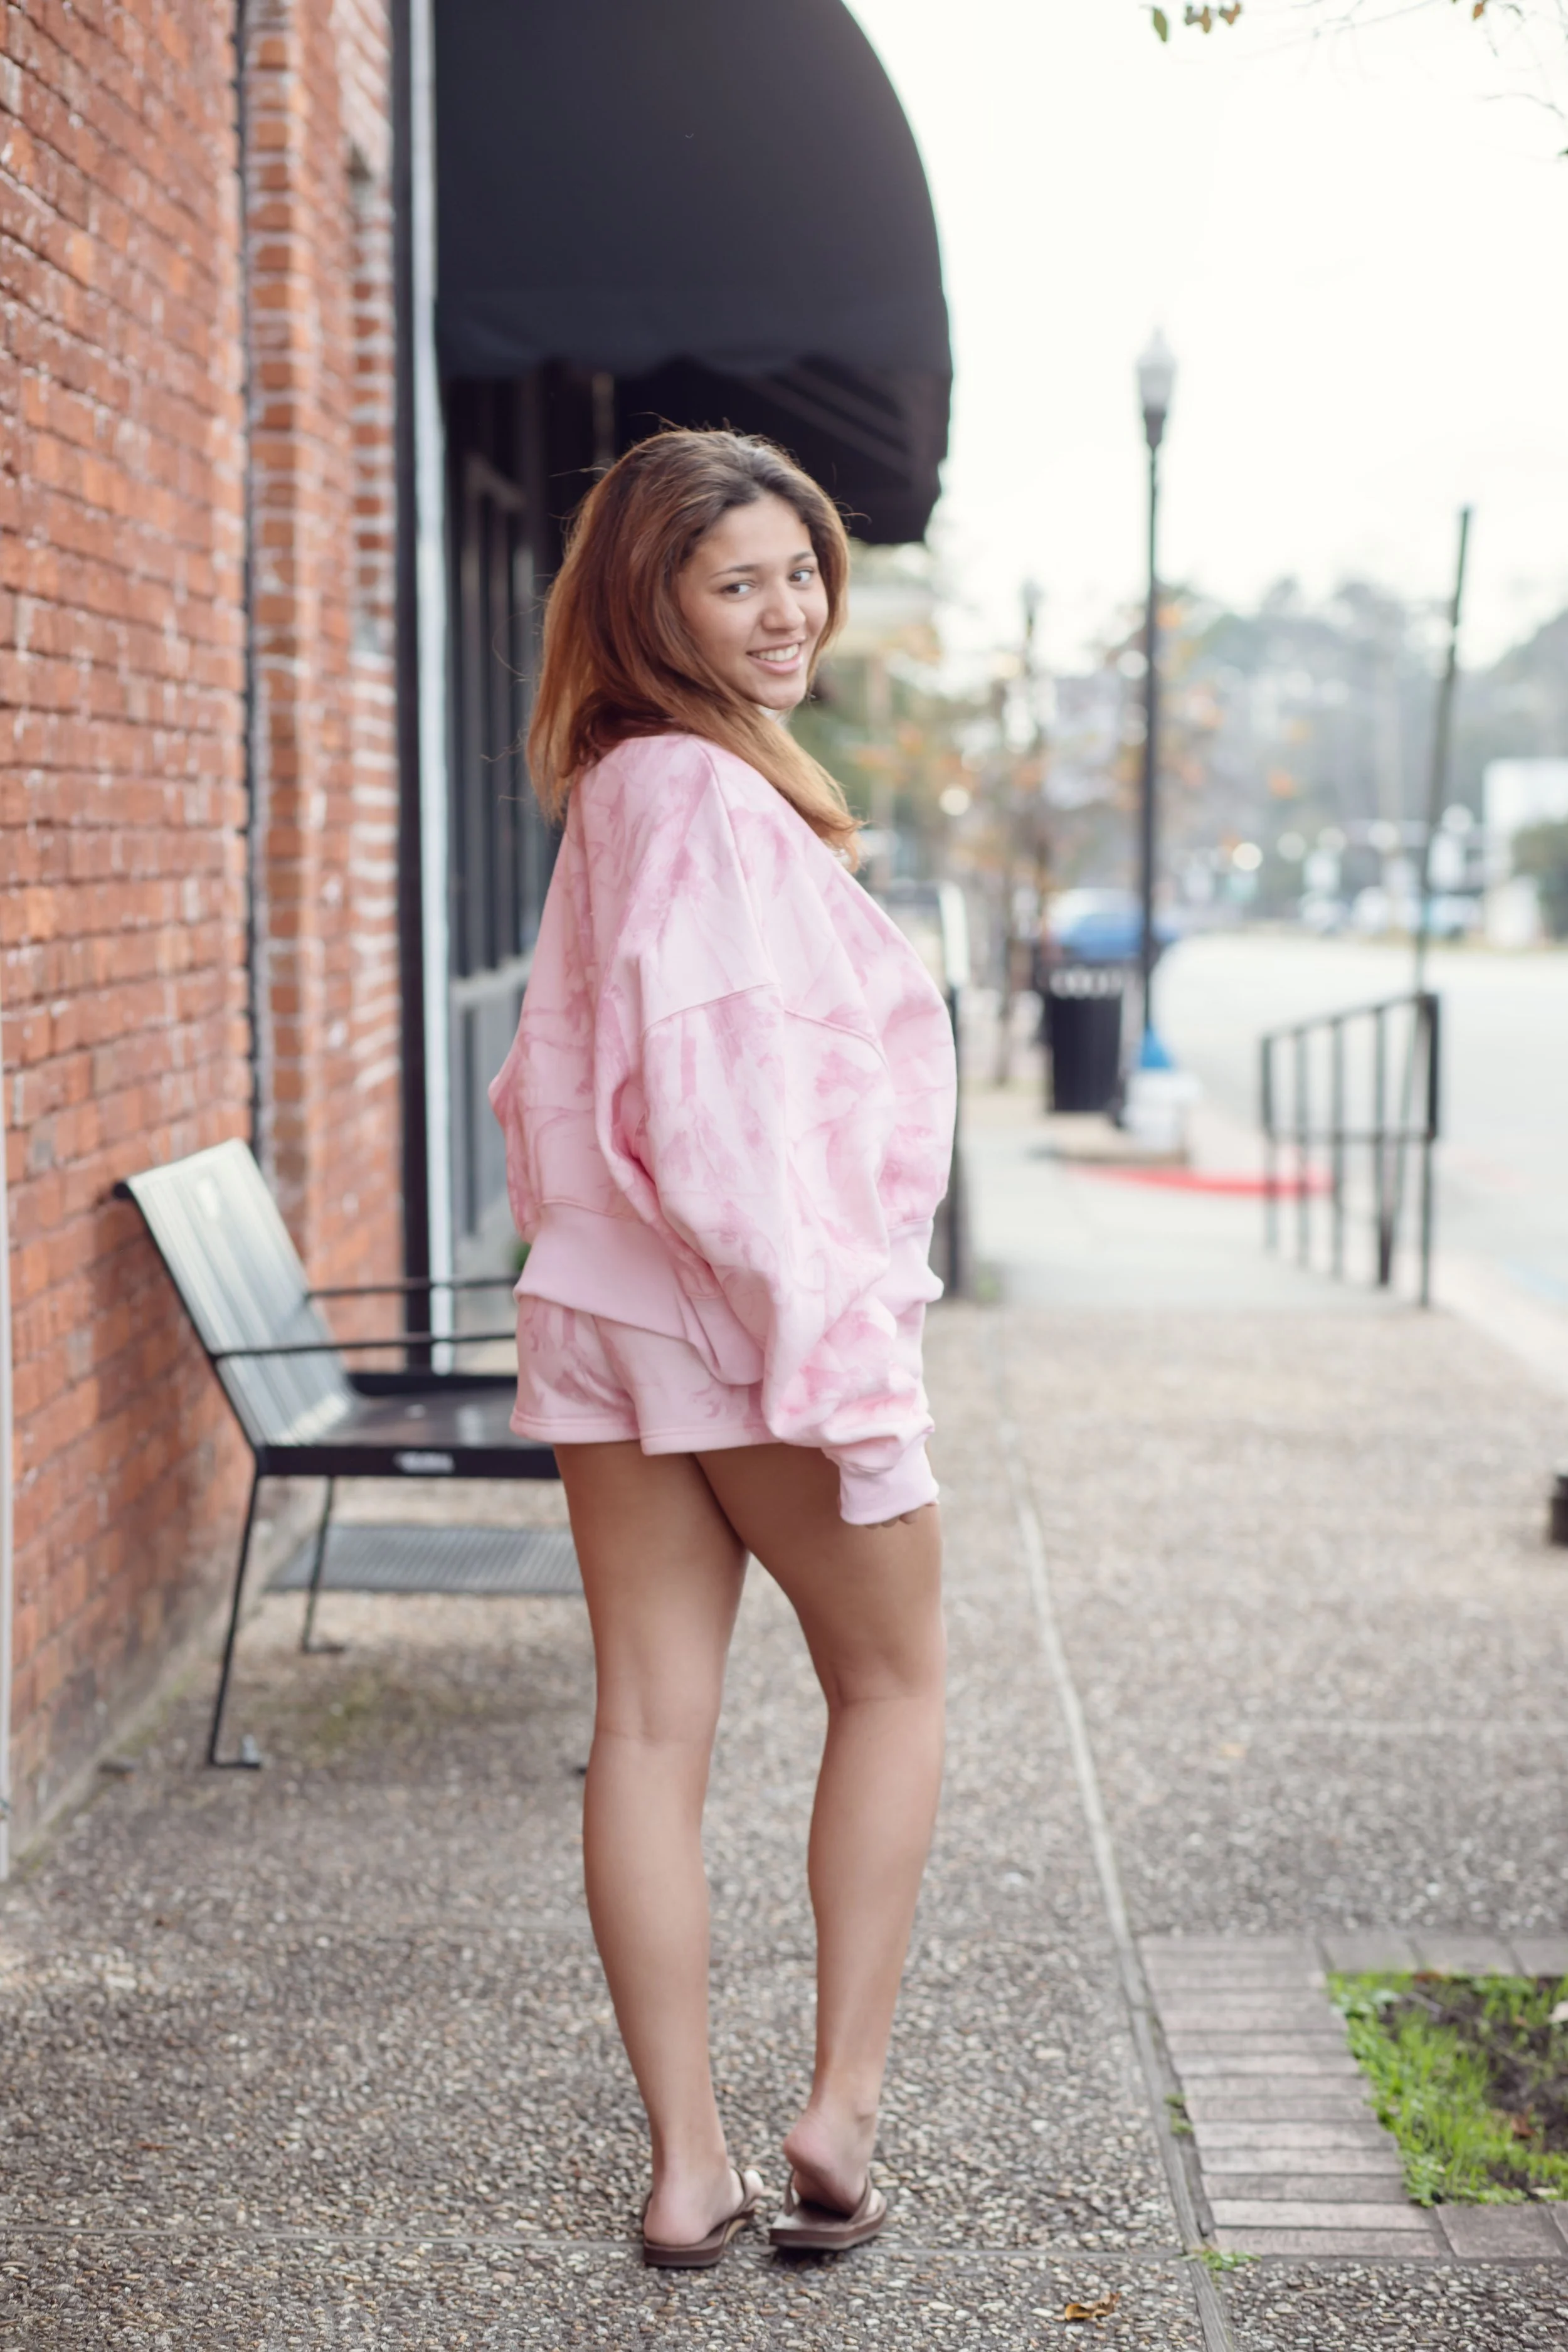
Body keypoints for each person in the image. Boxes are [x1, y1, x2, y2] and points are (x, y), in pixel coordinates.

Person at [489, 428, 956, 2268]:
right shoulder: (696, 796)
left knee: (652, 1729)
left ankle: (687, 2166)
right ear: (651, 603)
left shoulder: (622, 788)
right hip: (744, 1322)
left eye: (801, 570)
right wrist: (831, 1362)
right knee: (894, 1686)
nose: (785, 610)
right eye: (735, 580)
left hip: (611, 1309)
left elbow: (555, 1085)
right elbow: (727, 1116)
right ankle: (833, 2115)